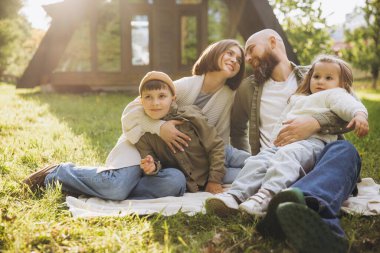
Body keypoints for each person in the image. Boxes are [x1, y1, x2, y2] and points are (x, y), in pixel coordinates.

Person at [23, 39, 249, 200]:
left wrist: (213, 176)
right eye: (229, 52)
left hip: (179, 159)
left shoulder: (228, 97)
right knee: (116, 188)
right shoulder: (181, 86)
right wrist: (159, 128)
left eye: (238, 58)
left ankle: (90, 187)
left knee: (225, 175)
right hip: (141, 141)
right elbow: (132, 111)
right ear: (214, 53)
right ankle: (62, 172)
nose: (233, 59)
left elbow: (221, 137)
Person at [206, 29, 363, 252]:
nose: (247, 59)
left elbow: (351, 111)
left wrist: (315, 123)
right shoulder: (248, 88)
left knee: (346, 150)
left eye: (250, 51)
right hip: (274, 159)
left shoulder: (317, 74)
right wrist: (255, 161)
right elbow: (238, 129)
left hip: (320, 156)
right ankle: (294, 206)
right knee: (267, 162)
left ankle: (293, 205)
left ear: (272, 42)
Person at [135, 71, 250, 194]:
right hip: (205, 175)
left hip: (222, 155)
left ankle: (272, 160)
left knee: (257, 162)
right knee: (251, 176)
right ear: (141, 101)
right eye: (148, 97)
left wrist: (214, 181)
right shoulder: (144, 137)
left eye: (162, 96)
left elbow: (216, 146)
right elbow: (155, 163)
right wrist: (152, 167)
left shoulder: (189, 115)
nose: (155, 103)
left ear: (173, 98)